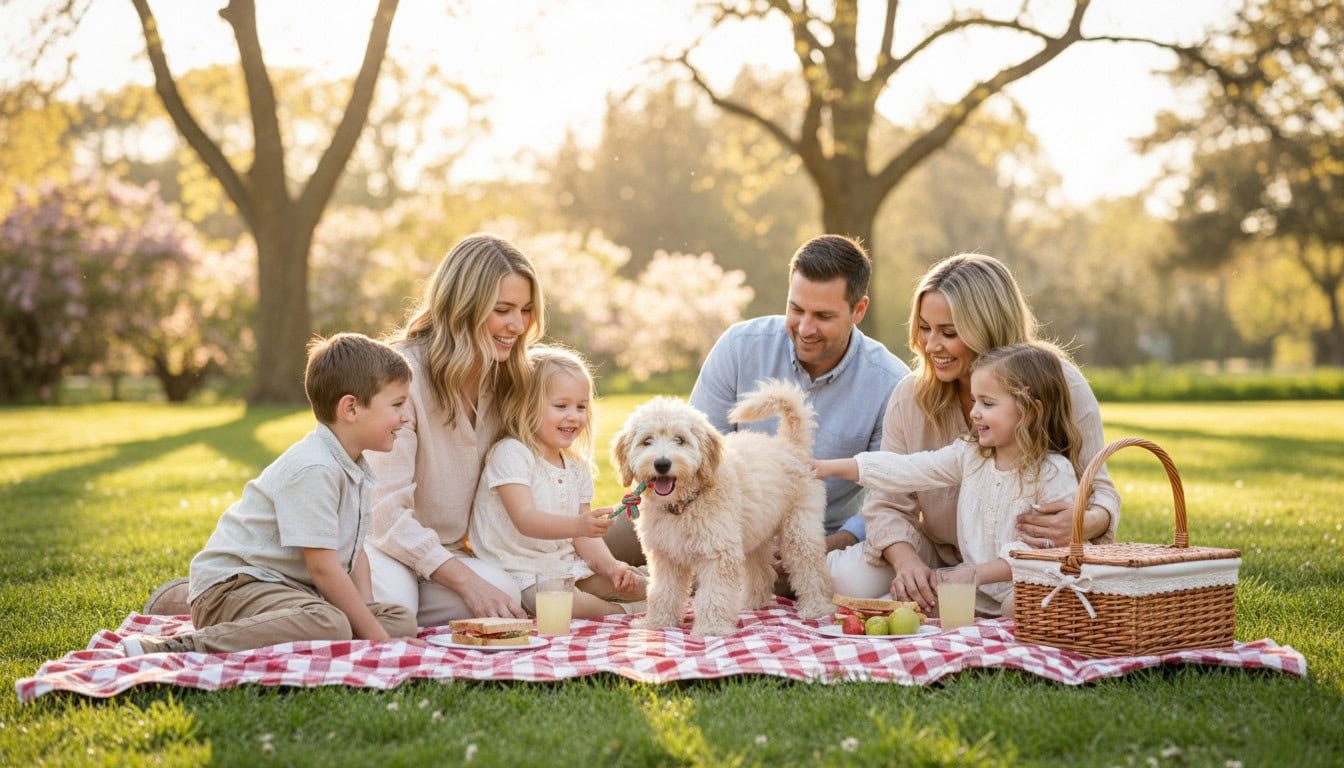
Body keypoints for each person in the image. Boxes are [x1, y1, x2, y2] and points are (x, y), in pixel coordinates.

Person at [606, 235, 909, 574]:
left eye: (823, 315)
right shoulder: (739, 346)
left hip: (817, 531)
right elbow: (696, 452)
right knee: (590, 546)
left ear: (859, 310)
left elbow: (890, 494)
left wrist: (836, 541)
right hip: (695, 513)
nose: (805, 328)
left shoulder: (891, 383)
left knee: (756, 576)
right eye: (796, 309)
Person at [838, 252, 1119, 611]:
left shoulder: (1059, 384)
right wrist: (907, 562)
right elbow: (887, 502)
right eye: (924, 328)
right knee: (848, 580)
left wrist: (1083, 522)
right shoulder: (910, 396)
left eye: (949, 332)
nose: (930, 345)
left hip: (1027, 563)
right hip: (940, 556)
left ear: (987, 327)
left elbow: (1102, 491)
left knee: (1024, 607)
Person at [121, 334, 420, 654]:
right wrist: (377, 640)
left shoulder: (355, 467)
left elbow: (354, 551)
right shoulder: (314, 468)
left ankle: (334, 630)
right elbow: (324, 569)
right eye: (397, 404)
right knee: (331, 623)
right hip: (233, 588)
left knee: (399, 619)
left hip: (287, 592)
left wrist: (370, 616)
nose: (406, 417)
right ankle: (181, 647)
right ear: (350, 408)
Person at [812, 342, 1083, 616]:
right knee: (887, 608)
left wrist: (973, 575)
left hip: (1024, 587)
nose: (974, 412)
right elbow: (910, 468)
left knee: (1018, 608)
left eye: (987, 403)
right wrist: (831, 467)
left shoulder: (1053, 472)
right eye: (975, 400)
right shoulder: (971, 454)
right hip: (975, 591)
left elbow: (1041, 554)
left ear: (1030, 410)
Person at [363, 233, 544, 626]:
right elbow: (384, 516)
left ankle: (385, 600)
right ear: (463, 307)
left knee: (506, 593)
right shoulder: (400, 377)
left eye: (526, 310)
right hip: (375, 543)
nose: (517, 325)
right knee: (395, 609)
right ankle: (283, 586)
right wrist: (465, 582)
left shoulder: (505, 381)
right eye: (503, 310)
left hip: (440, 552)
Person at [470, 346, 646, 618]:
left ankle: (647, 599)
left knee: (640, 586)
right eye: (561, 406)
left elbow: (583, 538)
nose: (573, 416)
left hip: (566, 567)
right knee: (569, 606)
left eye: (581, 407)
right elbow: (525, 519)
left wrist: (612, 568)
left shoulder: (575, 465)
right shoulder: (511, 453)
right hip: (522, 572)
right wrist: (578, 525)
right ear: (525, 405)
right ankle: (624, 612)